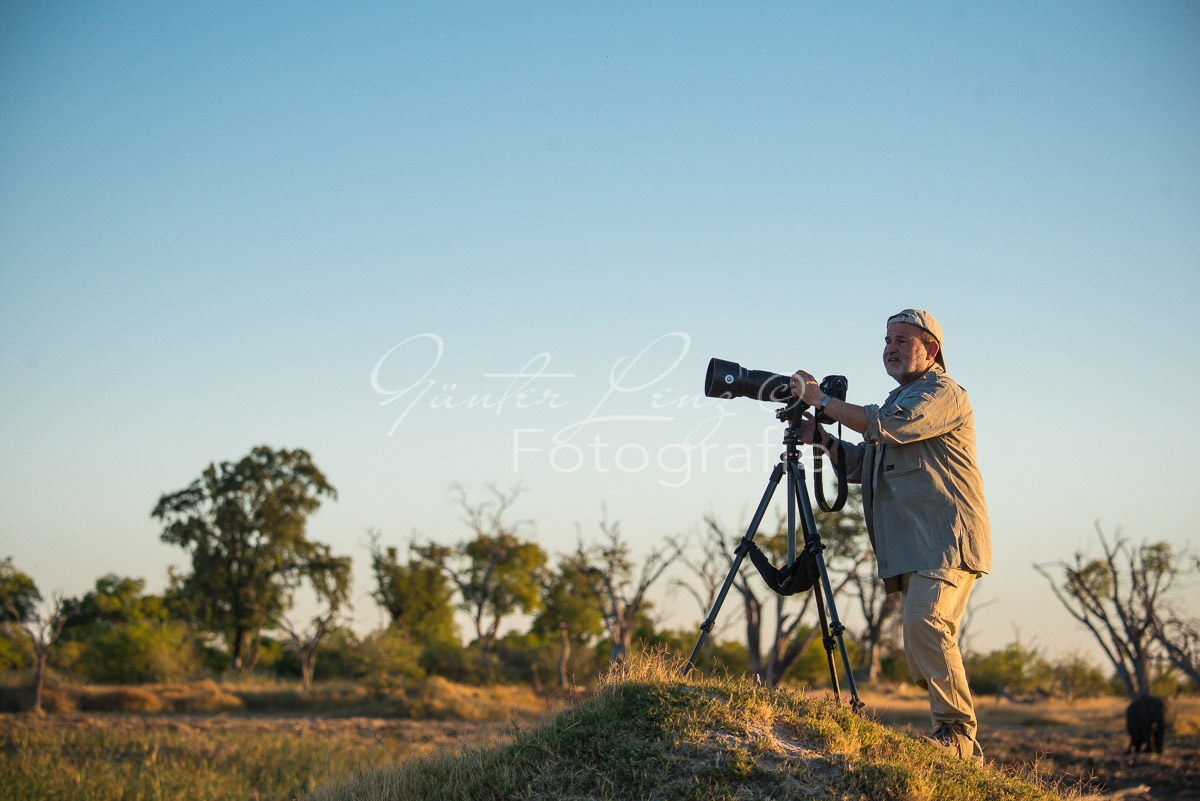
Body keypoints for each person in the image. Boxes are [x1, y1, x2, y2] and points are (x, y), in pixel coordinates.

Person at [788, 309, 991, 762]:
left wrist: (820, 399)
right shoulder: (901, 400)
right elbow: (863, 464)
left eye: (902, 339)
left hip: (945, 539)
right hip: (914, 546)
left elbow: (887, 426)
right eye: (886, 340)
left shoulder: (941, 393)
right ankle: (957, 745)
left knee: (927, 623)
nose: (890, 348)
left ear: (931, 349)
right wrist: (819, 437)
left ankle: (958, 735)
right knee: (919, 639)